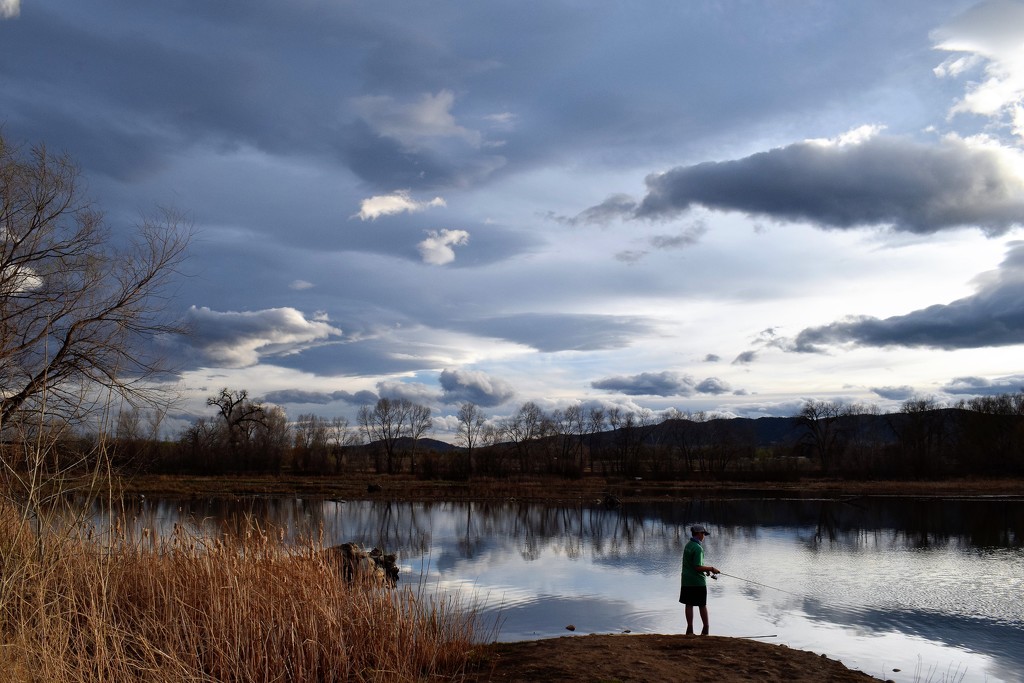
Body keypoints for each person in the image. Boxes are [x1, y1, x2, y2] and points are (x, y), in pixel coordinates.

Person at [679, 523, 719, 635]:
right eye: (703, 534)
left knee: (689, 604)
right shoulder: (698, 548)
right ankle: (706, 629)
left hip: (686, 581)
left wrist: (705, 569)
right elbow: (697, 567)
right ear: (699, 534)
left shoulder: (688, 545)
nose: (704, 536)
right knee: (702, 605)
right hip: (697, 582)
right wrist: (711, 568)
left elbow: (694, 565)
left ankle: (690, 629)